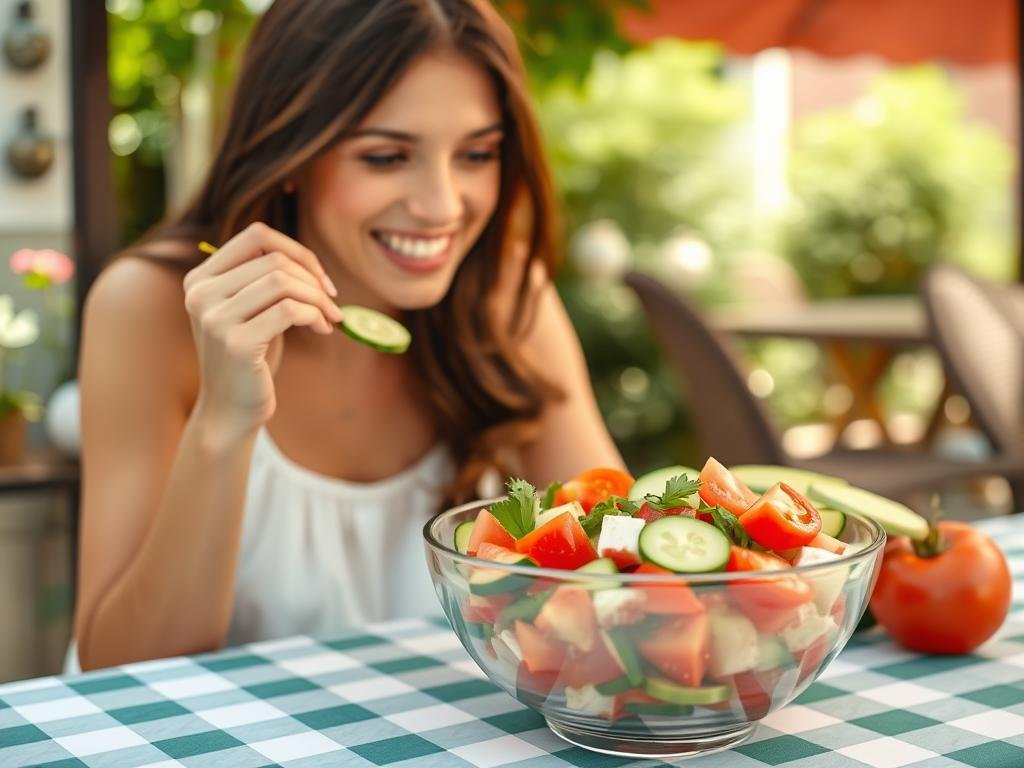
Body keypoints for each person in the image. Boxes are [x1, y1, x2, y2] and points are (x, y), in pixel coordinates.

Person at [73, 0, 625, 671]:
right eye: (388, 156)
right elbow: (119, 669)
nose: (443, 206)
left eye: (477, 153)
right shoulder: (148, 307)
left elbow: (623, 571)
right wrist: (225, 418)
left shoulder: (505, 297)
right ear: (291, 153)